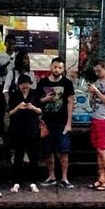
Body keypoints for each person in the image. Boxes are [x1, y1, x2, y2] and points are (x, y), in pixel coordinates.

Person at [38, 58, 76, 189]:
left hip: (62, 122)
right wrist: (45, 99)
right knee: (48, 151)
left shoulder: (67, 83)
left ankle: (64, 178)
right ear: (51, 67)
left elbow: (70, 102)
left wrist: (69, 123)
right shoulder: (42, 82)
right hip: (46, 122)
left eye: (60, 68)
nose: (57, 70)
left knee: (64, 151)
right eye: (55, 67)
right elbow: (37, 101)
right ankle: (51, 176)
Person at [6, 73, 43, 193]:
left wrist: (32, 107)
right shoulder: (14, 94)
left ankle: (33, 182)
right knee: (18, 156)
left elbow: (40, 110)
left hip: (32, 128)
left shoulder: (34, 93)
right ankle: (16, 182)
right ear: (19, 85)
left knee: (33, 156)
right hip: (18, 128)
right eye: (23, 87)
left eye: (27, 87)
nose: (25, 89)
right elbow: (9, 113)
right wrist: (18, 107)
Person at [87, 61, 105, 191]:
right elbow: (92, 101)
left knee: (102, 149)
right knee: (97, 150)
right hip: (95, 116)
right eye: (95, 71)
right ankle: (101, 177)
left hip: (104, 119)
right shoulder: (97, 83)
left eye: (99, 71)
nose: (97, 73)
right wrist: (91, 93)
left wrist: (97, 92)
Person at [0, 34, 16, 142]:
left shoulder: (18, 56)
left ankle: (12, 134)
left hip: (13, 85)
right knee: (1, 111)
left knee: (14, 110)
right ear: (5, 44)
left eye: (13, 43)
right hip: (2, 84)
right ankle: (0, 135)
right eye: (9, 43)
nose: (11, 45)